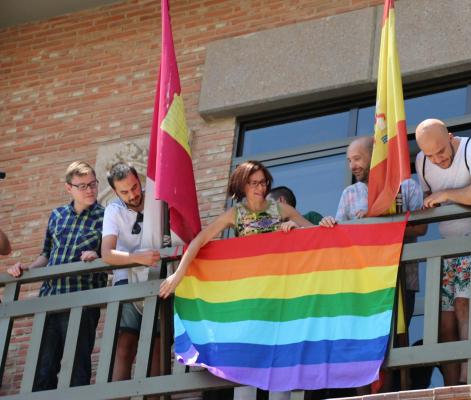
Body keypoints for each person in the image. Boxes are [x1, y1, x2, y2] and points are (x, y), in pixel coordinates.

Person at [159, 160, 312, 400]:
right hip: (248, 297)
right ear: (242, 186)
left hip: (280, 294)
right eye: (253, 183)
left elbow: (314, 236)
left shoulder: (281, 210)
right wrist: (178, 274)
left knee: (281, 356)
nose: (260, 188)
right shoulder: (235, 213)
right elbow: (199, 241)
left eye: (263, 182)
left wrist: (296, 227)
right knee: (245, 360)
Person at [414, 118, 471, 385]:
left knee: (465, 302)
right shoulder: (422, 161)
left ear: (450, 137)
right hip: (448, 245)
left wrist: (448, 194)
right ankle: (452, 387)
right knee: (445, 320)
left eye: (441, 151)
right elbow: (429, 201)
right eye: (430, 155)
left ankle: (468, 379)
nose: (437, 160)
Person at [7, 161, 106, 390]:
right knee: (43, 370)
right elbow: (47, 254)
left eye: (93, 184)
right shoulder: (58, 215)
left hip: (83, 300)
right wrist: (25, 270)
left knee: (77, 371)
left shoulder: (106, 215)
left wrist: (98, 255)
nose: (90, 189)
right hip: (50, 299)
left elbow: (111, 254)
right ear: (68, 188)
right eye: (82, 186)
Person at [319, 136, 425, 324]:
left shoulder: (407, 186)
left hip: (401, 277)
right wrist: (329, 224)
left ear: (375, 155)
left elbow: (421, 228)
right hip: (363, 281)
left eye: (357, 158)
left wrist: (376, 220)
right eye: (349, 161)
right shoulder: (349, 193)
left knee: (398, 341)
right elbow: (342, 236)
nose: (352, 166)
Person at [101, 162, 162, 381]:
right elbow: (107, 253)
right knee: (125, 344)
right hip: (126, 279)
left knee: (158, 344)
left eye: (135, 187)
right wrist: (137, 258)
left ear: (140, 180)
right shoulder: (113, 210)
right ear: (116, 192)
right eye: (124, 192)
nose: (132, 194)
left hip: (159, 278)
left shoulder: (158, 201)